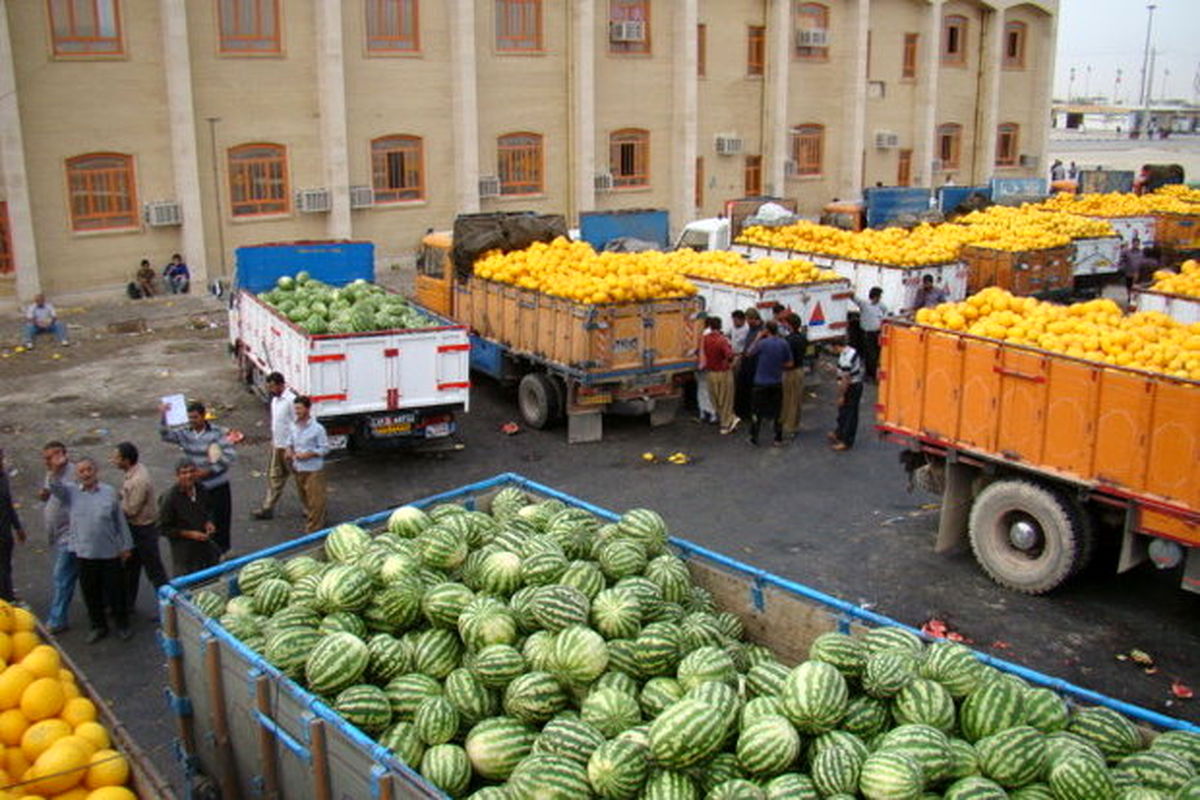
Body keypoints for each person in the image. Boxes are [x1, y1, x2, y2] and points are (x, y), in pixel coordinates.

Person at [45, 454, 133, 643]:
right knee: (90, 593)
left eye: (89, 470)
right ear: (76, 475)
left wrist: (126, 545)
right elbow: (53, 487)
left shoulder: (109, 492)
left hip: (109, 551)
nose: (86, 474)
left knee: (116, 591)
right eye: (81, 471)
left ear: (96, 471)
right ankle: (98, 626)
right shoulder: (71, 493)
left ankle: (123, 625)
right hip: (84, 553)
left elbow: (120, 521)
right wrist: (55, 469)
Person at [159, 400, 235, 554]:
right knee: (202, 523)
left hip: (218, 485)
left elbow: (230, 456)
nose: (192, 421)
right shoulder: (185, 433)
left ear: (203, 417)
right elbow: (165, 435)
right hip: (199, 490)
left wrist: (209, 471)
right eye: (190, 418)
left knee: (221, 522)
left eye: (195, 417)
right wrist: (163, 415)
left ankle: (224, 554)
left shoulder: (216, 433)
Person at [111, 442, 168, 611]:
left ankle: (167, 607)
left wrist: (112, 506)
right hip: (136, 529)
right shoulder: (134, 472)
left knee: (154, 571)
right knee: (130, 568)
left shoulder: (138, 480)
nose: (113, 461)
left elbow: (131, 509)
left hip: (143, 529)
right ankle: (128, 604)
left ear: (126, 460)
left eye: (117, 458)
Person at [158, 460, 220, 578]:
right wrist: (189, 534)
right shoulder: (170, 498)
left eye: (192, 471)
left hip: (206, 550)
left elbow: (209, 509)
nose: (189, 476)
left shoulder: (201, 489)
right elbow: (162, 528)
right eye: (184, 473)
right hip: (185, 556)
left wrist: (209, 522)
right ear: (177, 476)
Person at [40, 441, 77, 633]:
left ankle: (57, 620)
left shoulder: (72, 474)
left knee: (62, 577)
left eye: (50, 458)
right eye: (45, 458)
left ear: (63, 455)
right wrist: (44, 493)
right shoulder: (52, 473)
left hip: (70, 537)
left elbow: (64, 494)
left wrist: (54, 473)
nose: (47, 462)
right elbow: (48, 491)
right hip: (59, 533)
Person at [252, 372, 297, 520]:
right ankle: (268, 507)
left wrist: (291, 446)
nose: (271, 390)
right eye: (269, 387)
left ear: (280, 384)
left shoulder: (291, 400)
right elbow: (276, 423)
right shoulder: (275, 401)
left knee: (300, 479)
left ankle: (311, 508)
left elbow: (295, 424)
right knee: (275, 477)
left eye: (272, 386)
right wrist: (274, 440)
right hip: (278, 445)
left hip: (289, 447)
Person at [746, 321, 793, 447]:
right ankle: (778, 438)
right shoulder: (784, 343)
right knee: (777, 411)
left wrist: (757, 338)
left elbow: (749, 353)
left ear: (766, 330)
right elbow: (789, 364)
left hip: (760, 382)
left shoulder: (762, 343)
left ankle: (754, 437)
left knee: (756, 411)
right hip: (776, 382)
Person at [287, 396, 329, 533]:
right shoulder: (293, 425)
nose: (297, 411)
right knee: (304, 497)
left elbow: (324, 448)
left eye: (299, 408)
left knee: (315, 500)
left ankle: (313, 529)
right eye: (295, 408)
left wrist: (309, 454)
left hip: (313, 469)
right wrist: (289, 451)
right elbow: (289, 442)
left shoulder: (318, 429)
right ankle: (317, 517)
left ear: (308, 409)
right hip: (298, 467)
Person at [701, 316, 738, 434]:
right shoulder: (722, 340)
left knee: (716, 399)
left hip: (710, 374)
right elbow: (729, 355)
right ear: (720, 326)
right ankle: (726, 424)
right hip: (723, 373)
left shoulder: (704, 339)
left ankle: (729, 419)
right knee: (726, 399)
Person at [829, 341, 866, 452]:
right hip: (851, 385)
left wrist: (841, 395)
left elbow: (846, 379)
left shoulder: (847, 357)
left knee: (850, 414)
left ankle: (846, 441)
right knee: (843, 412)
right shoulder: (848, 352)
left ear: (836, 346)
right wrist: (835, 370)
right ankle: (839, 433)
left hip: (852, 387)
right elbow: (844, 371)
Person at [0, 449, 26, 602]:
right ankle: (6, 598)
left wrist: (18, 527)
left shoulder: (3, 478)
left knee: (6, 566)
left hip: (5, 532)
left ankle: (7, 595)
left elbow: (8, 504)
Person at [780, 313, 808, 440]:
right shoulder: (802, 337)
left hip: (790, 372)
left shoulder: (788, 340)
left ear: (789, 325)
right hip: (800, 370)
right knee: (796, 400)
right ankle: (793, 424)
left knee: (789, 399)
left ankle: (788, 425)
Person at [734, 308, 764, 421]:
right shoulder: (753, 329)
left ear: (753, 319)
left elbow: (751, 350)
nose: (746, 322)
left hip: (753, 364)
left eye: (748, 319)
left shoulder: (760, 332)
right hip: (747, 362)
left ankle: (748, 413)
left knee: (749, 389)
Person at [853, 287, 888, 381]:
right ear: (874, 296)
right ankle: (870, 374)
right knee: (870, 354)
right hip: (867, 333)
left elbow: (885, 315)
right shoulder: (864, 304)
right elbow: (853, 298)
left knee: (876, 354)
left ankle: (871, 373)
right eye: (879, 296)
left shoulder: (881, 306)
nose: (880, 298)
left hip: (877, 333)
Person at [693, 316, 716, 425]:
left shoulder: (702, 334)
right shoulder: (713, 334)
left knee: (702, 389)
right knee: (707, 389)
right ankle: (710, 413)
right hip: (710, 365)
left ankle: (705, 412)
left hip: (702, 365)